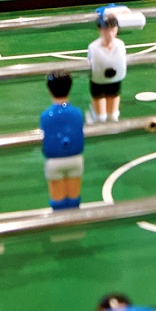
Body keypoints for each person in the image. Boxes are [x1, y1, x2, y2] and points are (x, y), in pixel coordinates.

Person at [41, 73, 88, 209]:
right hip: (75, 159)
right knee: (74, 199)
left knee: (57, 202)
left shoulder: (46, 116)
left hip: (54, 161)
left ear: (49, 90)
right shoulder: (77, 113)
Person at [85, 8, 133, 120]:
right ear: (100, 30)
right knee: (100, 117)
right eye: (106, 29)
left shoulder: (120, 45)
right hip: (98, 82)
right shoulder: (93, 47)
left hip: (115, 81)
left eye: (112, 29)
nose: (109, 33)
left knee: (113, 115)